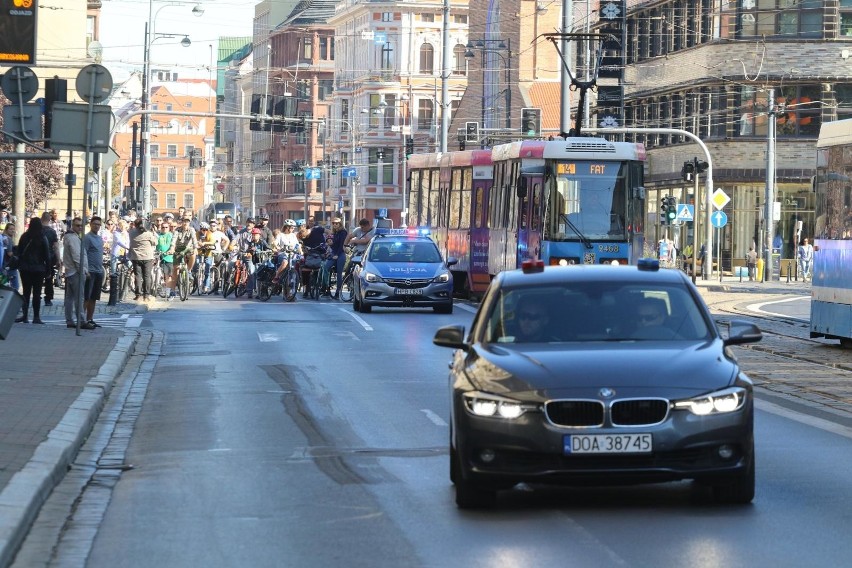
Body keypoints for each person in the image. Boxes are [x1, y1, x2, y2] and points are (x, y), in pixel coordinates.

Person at [14, 217, 51, 324]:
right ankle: (36, 317)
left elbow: (19, 251)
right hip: (38, 269)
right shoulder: (42, 238)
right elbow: (47, 256)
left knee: (26, 292)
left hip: (25, 268)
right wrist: (48, 271)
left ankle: (25, 316)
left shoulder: (24, 236)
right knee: (37, 293)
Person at [62, 217, 89, 328]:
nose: (80, 227)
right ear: (73, 225)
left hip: (71, 271)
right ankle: (81, 321)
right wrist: (82, 270)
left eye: (81, 225)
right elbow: (77, 256)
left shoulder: (72, 237)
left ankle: (70, 320)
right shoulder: (72, 238)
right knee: (78, 297)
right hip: (75, 271)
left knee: (70, 297)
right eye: (77, 225)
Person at [83, 216, 106, 328]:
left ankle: (90, 318)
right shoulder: (87, 238)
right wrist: (85, 269)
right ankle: (82, 319)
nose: (96, 226)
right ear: (91, 224)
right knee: (87, 296)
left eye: (98, 224)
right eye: (95, 224)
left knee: (94, 297)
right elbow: (84, 254)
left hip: (98, 270)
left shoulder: (99, 238)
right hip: (90, 271)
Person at [128, 217, 158, 301]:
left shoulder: (131, 232)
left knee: (137, 276)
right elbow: (156, 242)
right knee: (146, 276)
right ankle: (146, 295)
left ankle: (137, 294)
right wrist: (153, 232)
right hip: (147, 257)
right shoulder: (148, 233)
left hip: (135, 257)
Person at [323, 218, 348, 299]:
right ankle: (326, 288)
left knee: (339, 273)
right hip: (333, 254)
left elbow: (341, 245)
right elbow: (332, 245)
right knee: (326, 267)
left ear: (340, 224)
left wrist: (337, 254)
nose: (335, 225)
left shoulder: (343, 232)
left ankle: (338, 292)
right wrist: (330, 244)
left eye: (337, 223)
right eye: (333, 223)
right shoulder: (334, 233)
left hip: (340, 254)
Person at [40, 211, 60, 306]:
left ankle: (37, 295)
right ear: (49, 220)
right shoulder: (52, 232)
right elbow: (56, 247)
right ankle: (48, 299)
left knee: (37, 279)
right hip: (49, 258)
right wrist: (58, 259)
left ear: (41, 218)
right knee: (49, 279)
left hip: (38, 259)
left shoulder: (36, 231)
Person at [272, 219, 301, 283]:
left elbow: (297, 245)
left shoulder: (293, 235)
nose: (293, 229)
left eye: (294, 227)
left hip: (292, 254)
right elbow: (275, 242)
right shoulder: (280, 235)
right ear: (287, 227)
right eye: (292, 227)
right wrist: (277, 247)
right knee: (285, 262)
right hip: (283, 253)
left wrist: (301, 251)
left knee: (298, 263)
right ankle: (276, 276)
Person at [157, 218, 176, 299]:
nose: (164, 229)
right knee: (163, 275)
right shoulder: (158, 236)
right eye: (163, 227)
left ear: (169, 228)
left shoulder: (171, 235)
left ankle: (168, 292)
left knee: (168, 276)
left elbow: (173, 245)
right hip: (160, 257)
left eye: (166, 227)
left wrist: (171, 250)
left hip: (169, 258)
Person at [197, 222, 216, 293]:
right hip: (199, 252)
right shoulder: (197, 234)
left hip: (208, 253)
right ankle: (195, 280)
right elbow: (194, 240)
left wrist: (205, 243)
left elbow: (213, 241)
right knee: (196, 264)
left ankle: (206, 286)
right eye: (202, 229)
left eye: (205, 229)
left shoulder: (210, 234)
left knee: (207, 270)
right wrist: (198, 243)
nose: (204, 231)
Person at [1, 222, 19, 290]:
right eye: (11, 229)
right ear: (6, 230)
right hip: (9, 266)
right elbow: (9, 253)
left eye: (13, 229)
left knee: (3, 286)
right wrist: (17, 257)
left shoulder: (2, 237)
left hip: (3, 266)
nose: (13, 231)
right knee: (15, 287)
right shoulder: (8, 239)